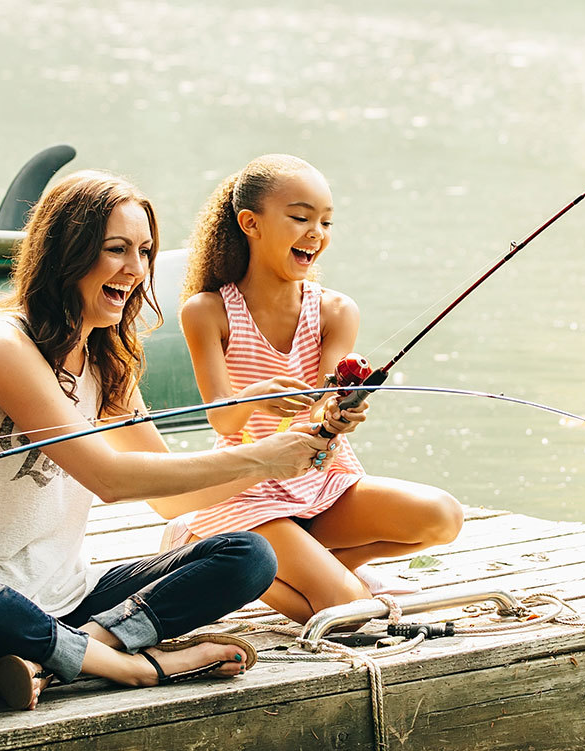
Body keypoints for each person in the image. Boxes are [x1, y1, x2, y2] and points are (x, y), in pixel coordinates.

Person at [0, 170, 348, 711]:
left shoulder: (104, 358)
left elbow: (172, 501)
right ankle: (134, 667)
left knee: (248, 555)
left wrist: (284, 450)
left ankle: (67, 655)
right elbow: (110, 479)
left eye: (144, 252)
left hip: (69, 601)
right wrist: (259, 456)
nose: (136, 270)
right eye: (116, 250)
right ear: (66, 252)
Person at [175, 154, 463, 624]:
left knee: (443, 516)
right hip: (249, 488)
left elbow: (327, 402)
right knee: (350, 611)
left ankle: (306, 566)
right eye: (300, 217)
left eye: (326, 221)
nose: (317, 232)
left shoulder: (335, 311)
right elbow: (223, 420)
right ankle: (207, 545)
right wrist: (261, 395)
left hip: (324, 478)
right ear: (251, 223)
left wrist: (338, 415)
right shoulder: (207, 312)